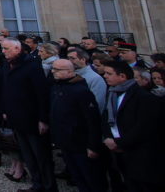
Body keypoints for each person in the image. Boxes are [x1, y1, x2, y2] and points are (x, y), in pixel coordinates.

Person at [1, 38, 54, 192]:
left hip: (32, 118)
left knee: (41, 156)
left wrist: (43, 119)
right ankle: (37, 184)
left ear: (17, 49)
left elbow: (41, 94)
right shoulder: (8, 65)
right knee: (28, 155)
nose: (3, 51)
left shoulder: (31, 66)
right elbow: (7, 91)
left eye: (6, 49)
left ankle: (49, 187)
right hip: (16, 117)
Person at [101, 60, 163, 191]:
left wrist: (120, 143)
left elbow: (144, 128)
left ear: (122, 76)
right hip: (119, 153)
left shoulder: (144, 97)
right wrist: (107, 137)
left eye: (109, 73)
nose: (105, 76)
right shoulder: (112, 93)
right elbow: (106, 118)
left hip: (140, 156)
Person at [49, 59, 105, 192]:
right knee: (77, 176)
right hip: (65, 140)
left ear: (69, 71)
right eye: (53, 69)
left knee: (90, 178)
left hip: (80, 141)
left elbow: (92, 119)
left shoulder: (81, 91)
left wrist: (93, 145)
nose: (53, 72)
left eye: (57, 70)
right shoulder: (57, 86)